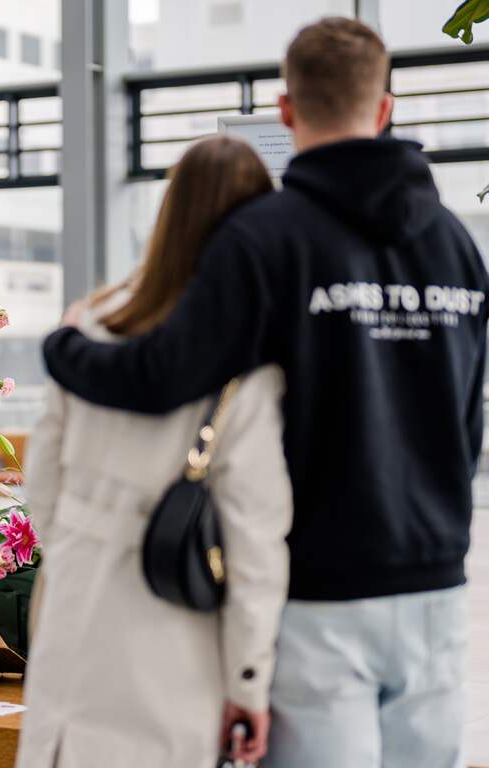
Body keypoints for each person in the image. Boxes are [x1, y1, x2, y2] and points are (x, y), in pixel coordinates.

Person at [41, 17, 488, 768]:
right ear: (384, 110)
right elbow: (469, 415)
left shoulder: (265, 238)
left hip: (321, 597)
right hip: (438, 586)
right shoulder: (455, 244)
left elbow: (165, 377)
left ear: (286, 109)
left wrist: (64, 349)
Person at [16, 136, 292, 768]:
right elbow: (254, 537)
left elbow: (43, 471)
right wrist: (249, 684)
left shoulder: (90, 320)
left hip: (75, 599)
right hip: (174, 626)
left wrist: (80, 543)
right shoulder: (246, 356)